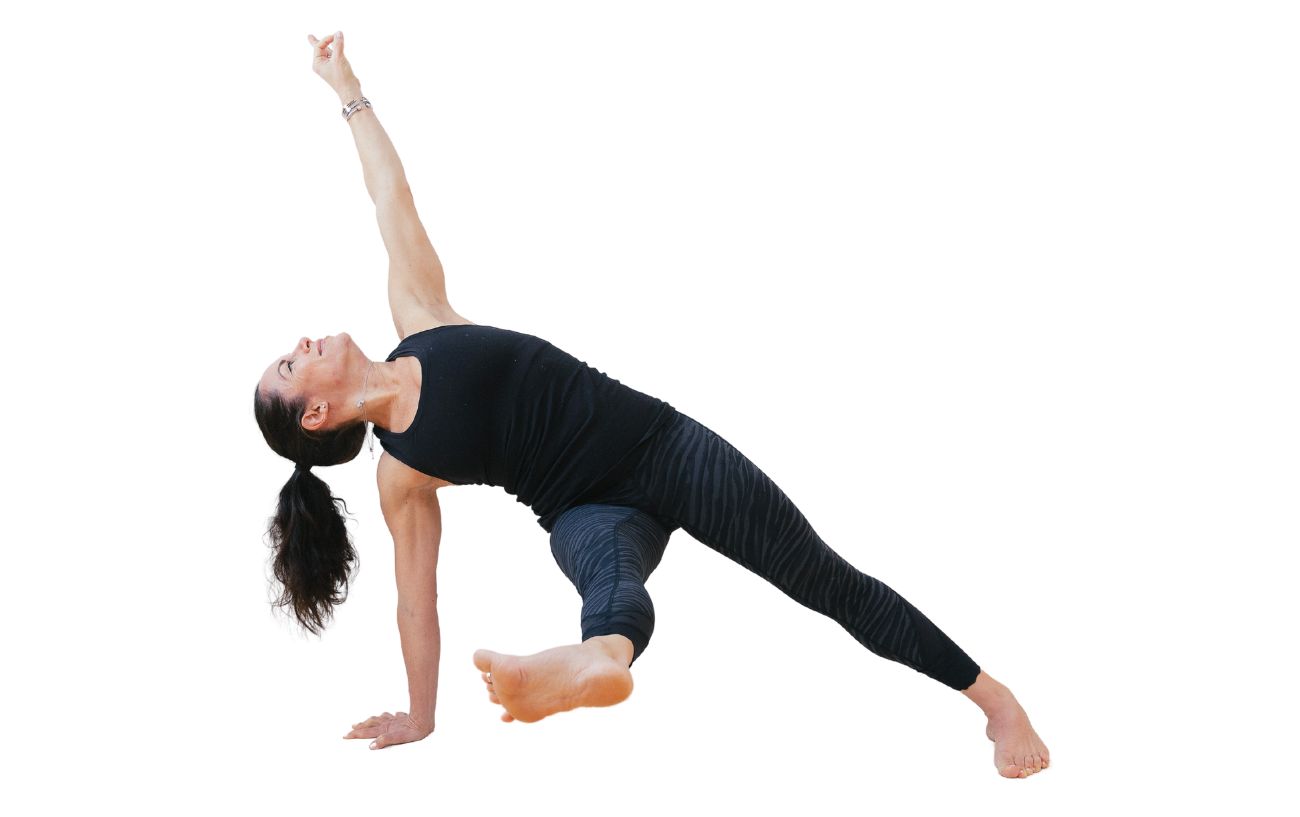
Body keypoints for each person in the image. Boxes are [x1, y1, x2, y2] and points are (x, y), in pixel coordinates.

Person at [252, 31, 1051, 778]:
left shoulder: (420, 320)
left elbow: (390, 198)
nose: (303, 343)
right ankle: (599, 660)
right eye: (291, 364)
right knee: (611, 588)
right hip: (580, 509)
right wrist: (422, 717)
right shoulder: (403, 473)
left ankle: (995, 701)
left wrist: (346, 88)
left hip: (663, 449)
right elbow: (415, 600)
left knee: (824, 580)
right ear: (315, 415)